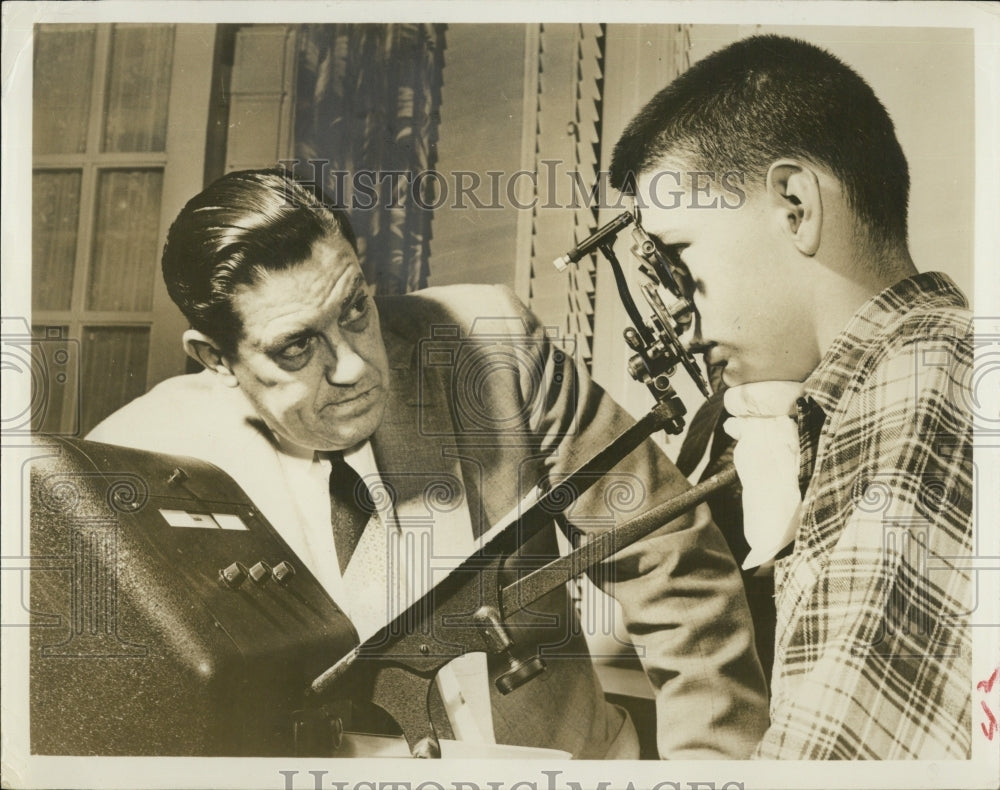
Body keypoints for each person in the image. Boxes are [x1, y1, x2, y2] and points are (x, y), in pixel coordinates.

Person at [87, 168, 768, 759]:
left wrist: (711, 771)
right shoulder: (142, 457)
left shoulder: (488, 347)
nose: (353, 364)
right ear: (215, 359)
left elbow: (671, 561)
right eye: (297, 348)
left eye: (357, 308)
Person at [609, 35, 973, 759]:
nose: (678, 315)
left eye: (679, 254)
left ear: (796, 205)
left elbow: (831, 757)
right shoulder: (928, 368)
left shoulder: (920, 374)